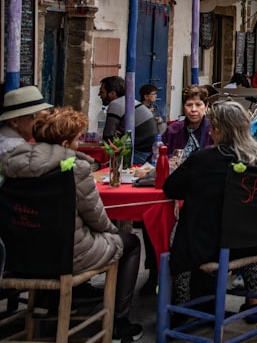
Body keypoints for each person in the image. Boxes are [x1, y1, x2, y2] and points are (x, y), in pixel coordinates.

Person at [5, 107, 143, 343]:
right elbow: (97, 218)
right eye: (78, 139)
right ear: (67, 143)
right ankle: (120, 322)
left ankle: (51, 303)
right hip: (65, 257)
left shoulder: (11, 165)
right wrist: (113, 235)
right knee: (130, 243)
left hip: (18, 255)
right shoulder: (73, 169)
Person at [163, 101, 257, 316]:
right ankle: (252, 302)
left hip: (208, 245)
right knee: (250, 226)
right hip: (255, 243)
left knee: (179, 234)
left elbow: (171, 188)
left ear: (219, 129)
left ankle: (183, 305)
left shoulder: (203, 159)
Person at [100, 75, 157, 166]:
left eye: (102, 92)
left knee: (106, 166)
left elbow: (108, 136)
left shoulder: (116, 104)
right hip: (149, 150)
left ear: (112, 93)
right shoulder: (129, 101)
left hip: (140, 152)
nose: (99, 95)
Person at [0, 85, 53, 160]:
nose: (42, 122)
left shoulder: (5, 136)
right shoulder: (15, 148)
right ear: (15, 121)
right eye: (35, 116)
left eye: (45, 116)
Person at [163, 85, 212, 159]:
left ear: (206, 106)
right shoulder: (173, 130)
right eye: (189, 105)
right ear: (183, 107)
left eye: (198, 105)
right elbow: (157, 157)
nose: (193, 109)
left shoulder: (214, 130)